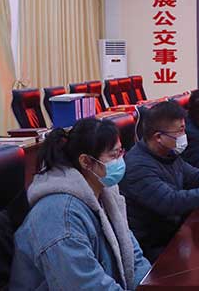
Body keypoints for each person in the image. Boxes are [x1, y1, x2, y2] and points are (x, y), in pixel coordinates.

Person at [11, 118, 151, 290]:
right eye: (114, 155)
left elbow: (134, 257)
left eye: (121, 152)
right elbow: (85, 285)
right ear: (86, 162)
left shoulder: (106, 192)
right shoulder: (59, 217)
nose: (121, 160)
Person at [120, 101, 199, 262]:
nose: (184, 135)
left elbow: (196, 175)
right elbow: (172, 201)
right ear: (158, 137)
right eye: (180, 131)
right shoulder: (138, 166)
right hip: (154, 248)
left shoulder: (167, 153)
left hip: (175, 233)